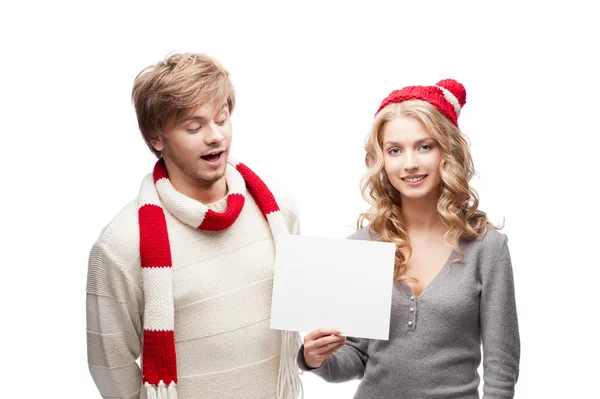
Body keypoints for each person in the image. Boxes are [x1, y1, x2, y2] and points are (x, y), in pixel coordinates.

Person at [86, 52, 303, 399]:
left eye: (222, 119)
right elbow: (109, 365)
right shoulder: (122, 244)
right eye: (194, 127)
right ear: (157, 138)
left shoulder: (277, 209)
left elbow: (298, 314)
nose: (215, 136)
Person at [298, 79, 520, 398]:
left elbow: (501, 370)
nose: (410, 163)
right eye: (395, 150)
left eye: (424, 146)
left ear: (448, 150)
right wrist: (314, 357)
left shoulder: (487, 248)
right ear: (382, 160)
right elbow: (356, 358)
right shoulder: (362, 247)